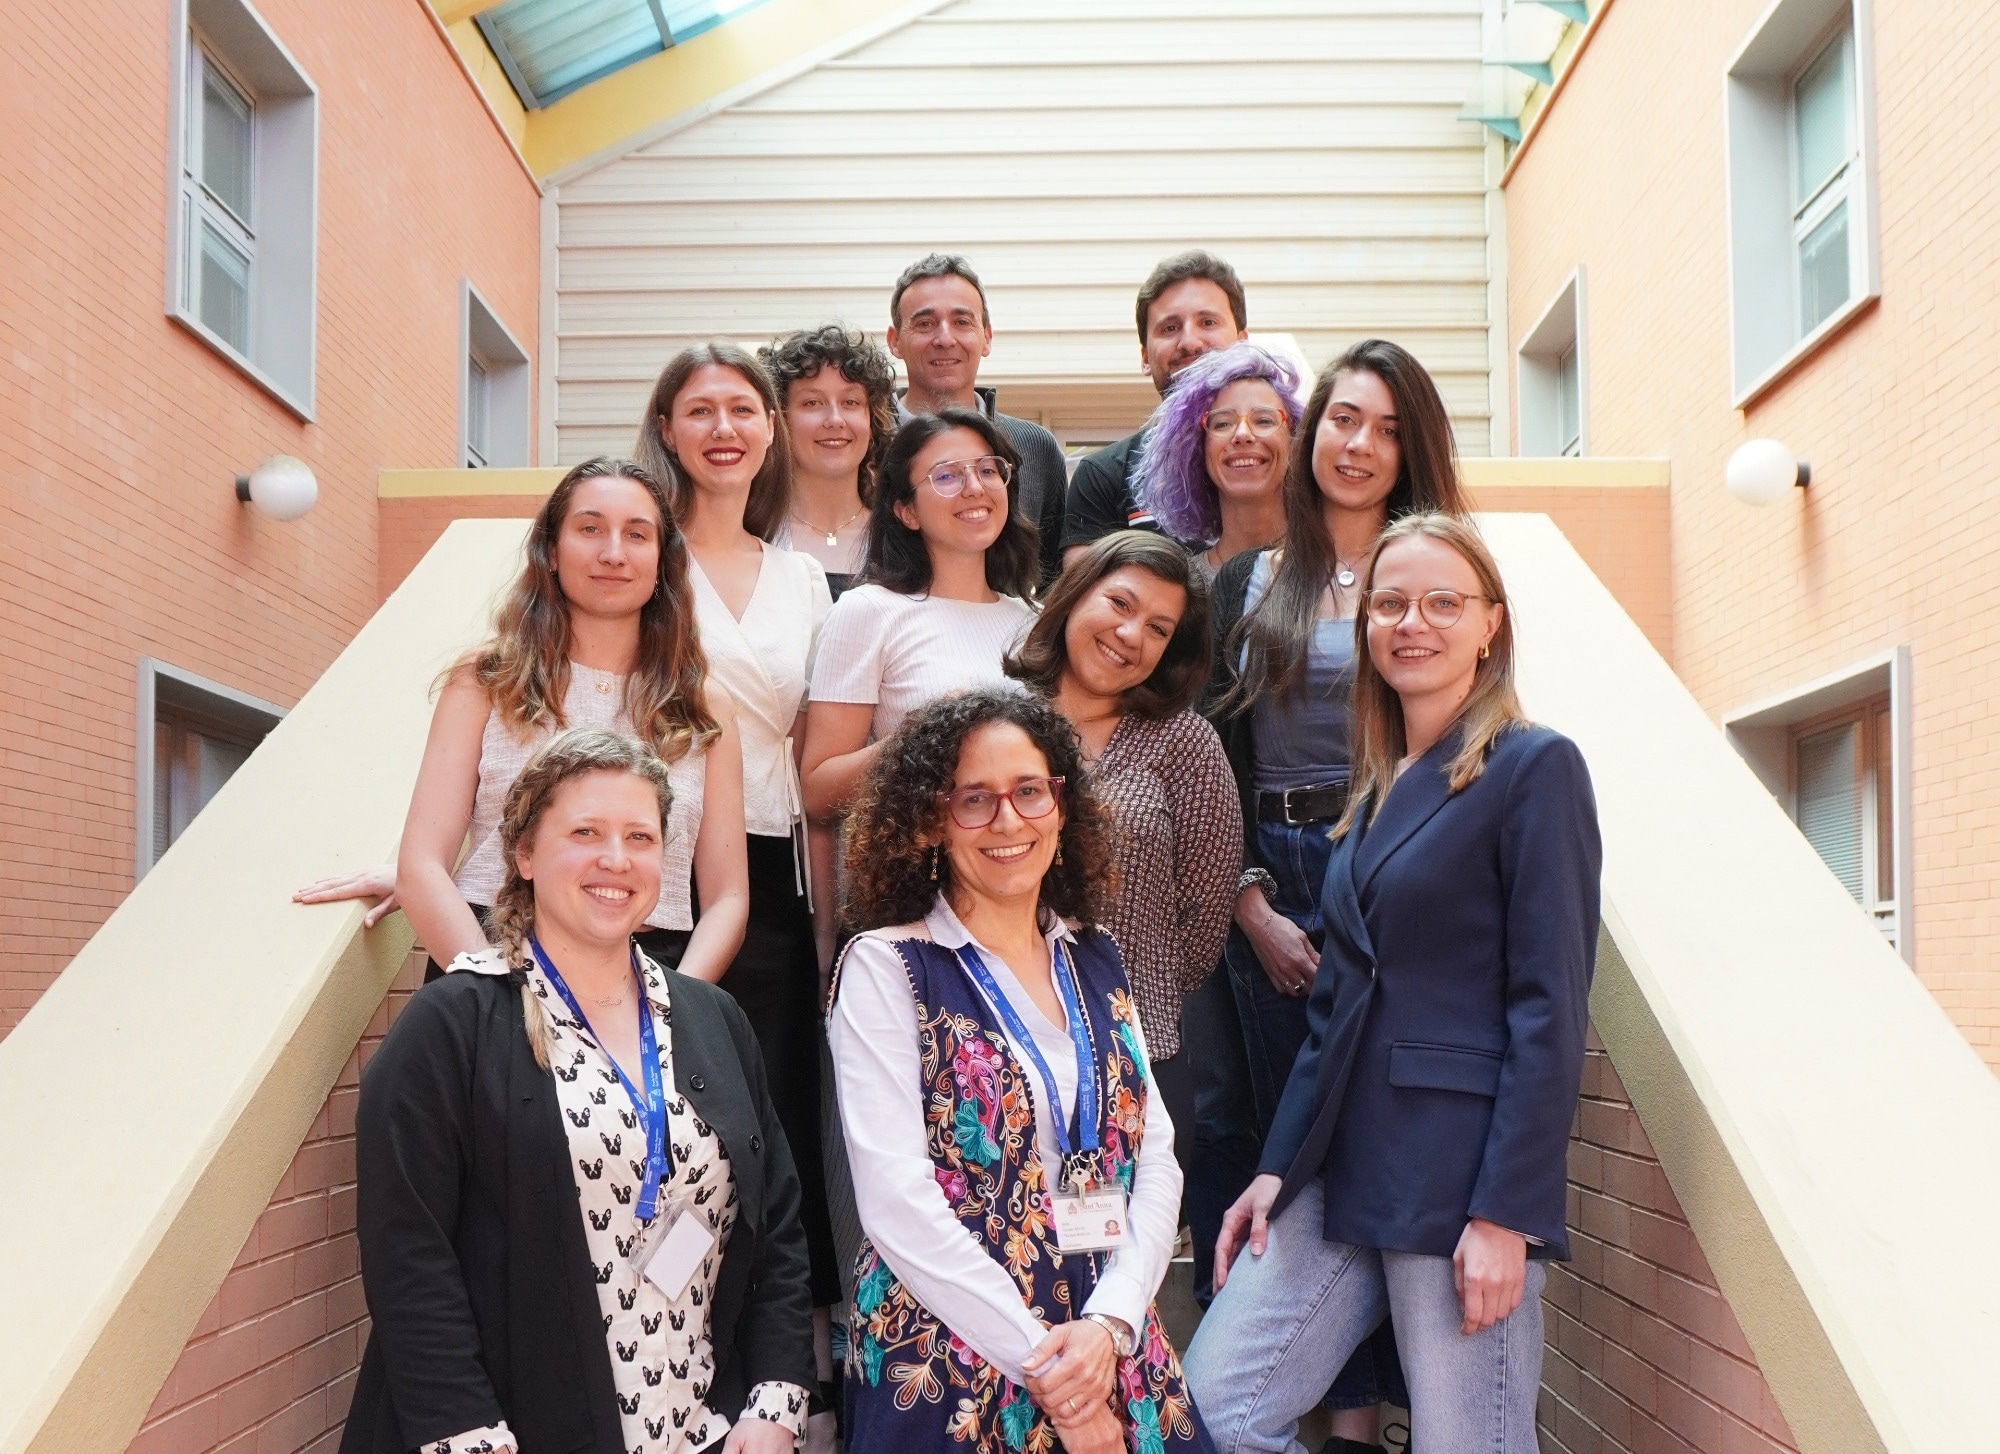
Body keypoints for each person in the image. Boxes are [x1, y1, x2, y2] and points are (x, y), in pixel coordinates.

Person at [1185, 513, 1602, 1452]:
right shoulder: (1376, 791)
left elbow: (1550, 1008)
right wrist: (1276, 1167)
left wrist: (1508, 1215)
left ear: (1491, 623)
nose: (1413, 623)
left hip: (1458, 1180)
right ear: (1366, 624)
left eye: (1443, 603)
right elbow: (1335, 1011)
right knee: (1211, 1409)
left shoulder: (1534, 769)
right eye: (1391, 603)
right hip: (1338, 1167)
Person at [341, 727, 814, 1454]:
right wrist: (469, 1438)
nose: (616, 860)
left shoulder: (711, 1018)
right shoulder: (452, 1025)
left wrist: (776, 1402)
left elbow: (776, 1221)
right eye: (585, 832)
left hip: (704, 1433)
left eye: (640, 837)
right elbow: (410, 1261)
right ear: (524, 854)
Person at [1206, 339, 1474, 1446]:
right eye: (1341, 420)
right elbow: (1211, 758)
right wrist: (1250, 903)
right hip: (1277, 866)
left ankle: (1390, 1414)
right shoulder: (1251, 576)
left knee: (1386, 1131)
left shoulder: (1436, 572)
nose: (1357, 445)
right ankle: (1341, 1414)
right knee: (1295, 1143)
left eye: (1385, 428)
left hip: (1391, 859)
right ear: (1310, 433)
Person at [828, 689, 1212, 1454]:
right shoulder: (886, 967)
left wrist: (1112, 1323)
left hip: (1106, 1335)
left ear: (1061, 805)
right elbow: (894, 1202)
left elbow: (1155, 1154)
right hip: (956, 1354)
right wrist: (1054, 1378)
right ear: (930, 820)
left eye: (1029, 791)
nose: (1009, 820)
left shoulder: (1096, 955)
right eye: (975, 799)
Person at [294, 457, 749, 986]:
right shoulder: (484, 682)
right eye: (590, 528)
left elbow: (729, 897)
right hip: (491, 963)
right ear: (552, 551)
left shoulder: (705, 706)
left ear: (662, 562)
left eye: (637, 535)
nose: (613, 553)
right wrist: (500, 990)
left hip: (648, 977)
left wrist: (678, 1003)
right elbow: (422, 865)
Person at [632, 342, 843, 1432]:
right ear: (665, 428)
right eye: (698, 408)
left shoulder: (805, 573)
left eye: (741, 408)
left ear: (768, 429)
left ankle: (776, 1374)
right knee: (653, 1119)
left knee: (759, 1123)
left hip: (767, 870)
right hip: (645, 863)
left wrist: (824, 920)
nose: (723, 426)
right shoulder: (636, 550)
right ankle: (650, 1352)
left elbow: (815, 749)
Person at [1001, 532, 1238, 1203]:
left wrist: (1135, 986)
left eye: (1158, 628)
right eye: (1121, 604)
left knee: (1119, 1282)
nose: (1131, 634)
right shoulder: (989, 719)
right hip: (993, 1056)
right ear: (1076, 597)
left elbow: (1202, 924)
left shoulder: (1186, 744)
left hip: (1137, 1058)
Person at [800, 408, 1039, 820]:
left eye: (987, 470)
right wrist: (925, 733)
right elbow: (819, 793)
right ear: (906, 511)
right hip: (916, 870)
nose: (974, 488)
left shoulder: (1033, 620)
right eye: (946, 476)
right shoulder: (869, 611)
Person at [886, 252, 1067, 584]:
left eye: (962, 322)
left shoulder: (1035, 450)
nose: (944, 339)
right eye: (925, 323)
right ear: (894, 341)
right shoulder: (865, 443)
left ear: (987, 337)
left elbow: (1050, 580)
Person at [1062, 250, 1250, 565]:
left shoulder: (1287, 460)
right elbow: (1087, 601)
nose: (1190, 342)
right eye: (1169, 328)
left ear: (1243, 344)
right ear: (1145, 357)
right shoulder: (1103, 476)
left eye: (1207, 322)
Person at [1132, 341, 1301, 578]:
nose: (1242, 434)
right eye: (1222, 423)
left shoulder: (1334, 571)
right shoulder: (1186, 592)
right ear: (1196, 450)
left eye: (1264, 420)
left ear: (1294, 442)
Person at [759, 325, 898, 596]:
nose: (835, 420)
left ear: (872, 421)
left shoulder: (905, 540)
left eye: (850, 403)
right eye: (812, 403)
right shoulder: (754, 536)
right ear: (780, 421)